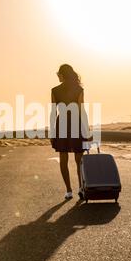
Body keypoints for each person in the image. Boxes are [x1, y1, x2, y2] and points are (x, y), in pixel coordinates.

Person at [50, 64, 90, 200]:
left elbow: (53, 112)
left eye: (58, 73)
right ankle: (81, 187)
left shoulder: (55, 90)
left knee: (63, 158)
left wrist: (52, 131)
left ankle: (68, 191)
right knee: (79, 159)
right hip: (76, 123)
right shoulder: (79, 89)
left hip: (61, 125)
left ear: (63, 74)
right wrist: (87, 130)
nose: (57, 76)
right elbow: (82, 111)